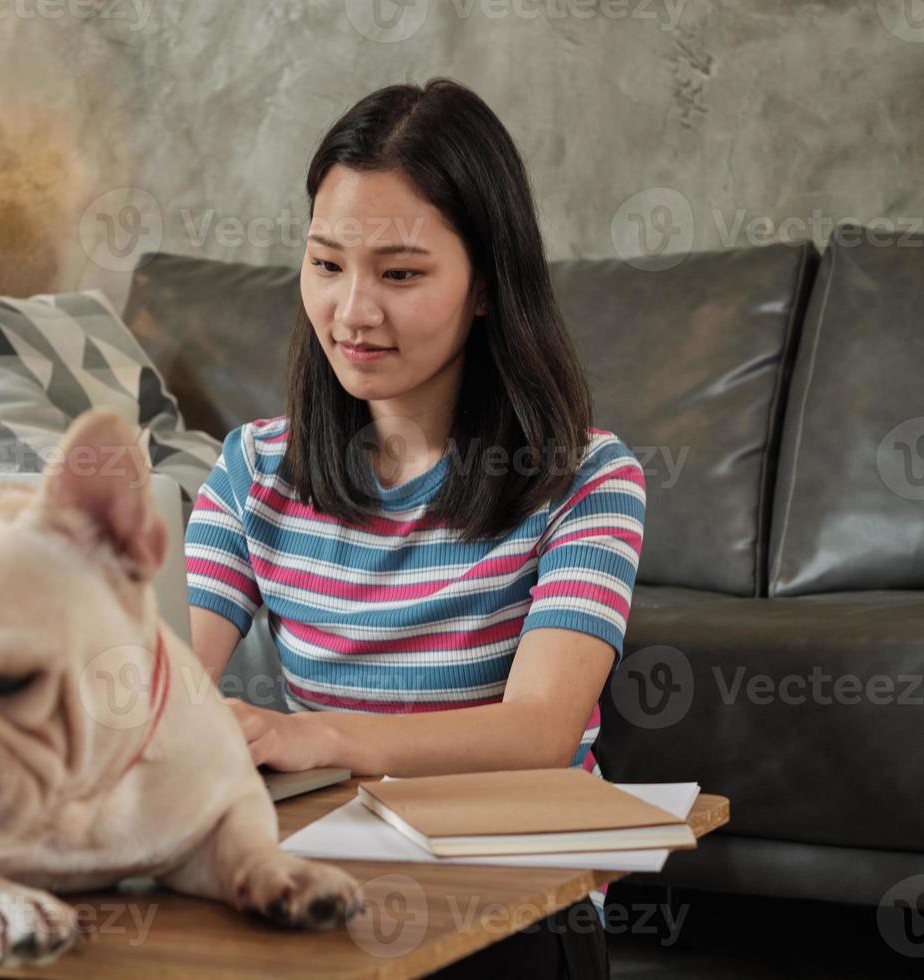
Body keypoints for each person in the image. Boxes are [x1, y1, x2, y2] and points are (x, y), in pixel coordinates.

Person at [182, 78, 646, 980]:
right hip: (327, 861)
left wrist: (325, 735)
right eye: (326, 264)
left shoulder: (586, 476)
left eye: (400, 274)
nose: (352, 312)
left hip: (513, 884)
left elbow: (540, 732)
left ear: (485, 286)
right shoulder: (253, 469)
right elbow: (161, 675)